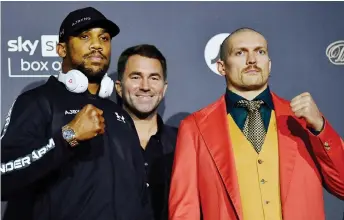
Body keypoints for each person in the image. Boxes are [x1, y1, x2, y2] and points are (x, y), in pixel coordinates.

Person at [168, 27, 344, 220]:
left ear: (269, 64)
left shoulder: (303, 119)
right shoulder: (195, 127)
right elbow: (184, 211)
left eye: (260, 51)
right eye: (240, 52)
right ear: (221, 67)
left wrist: (320, 128)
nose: (252, 60)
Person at [1, 7, 152, 220]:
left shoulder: (120, 115)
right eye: (84, 36)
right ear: (61, 49)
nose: (97, 44)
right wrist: (68, 137)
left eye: (104, 38)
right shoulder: (38, 101)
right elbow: (3, 175)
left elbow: (142, 198)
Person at [115, 44, 178, 220]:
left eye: (154, 78)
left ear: (163, 89)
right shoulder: (100, 142)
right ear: (119, 87)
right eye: (136, 77)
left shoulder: (184, 144)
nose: (145, 86)